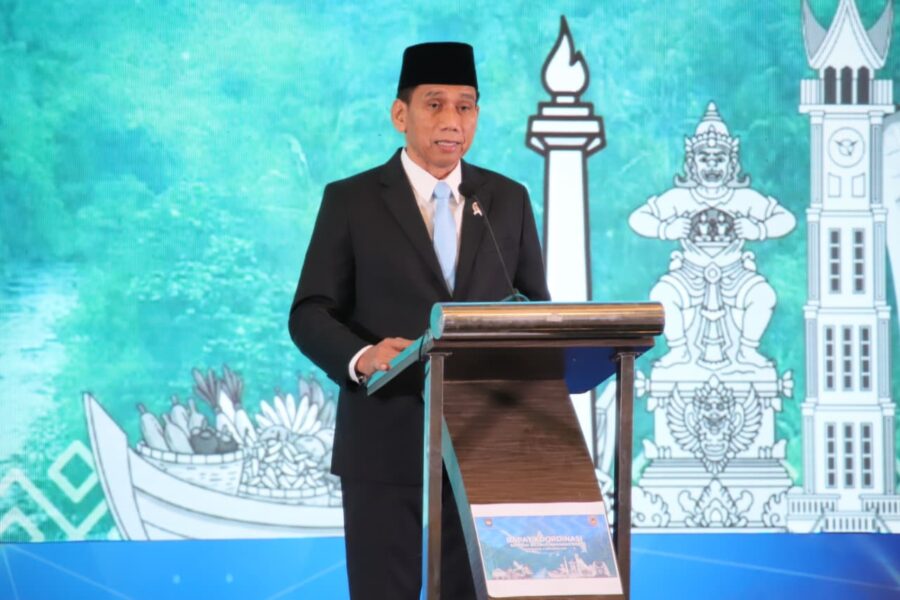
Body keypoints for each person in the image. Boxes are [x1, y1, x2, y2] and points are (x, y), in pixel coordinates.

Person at [289, 41, 550, 599]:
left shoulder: (507, 200)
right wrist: (363, 357)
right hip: (384, 439)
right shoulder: (351, 201)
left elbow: (533, 307)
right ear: (400, 114)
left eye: (465, 106)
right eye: (435, 104)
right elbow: (310, 312)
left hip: (485, 444)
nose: (452, 120)